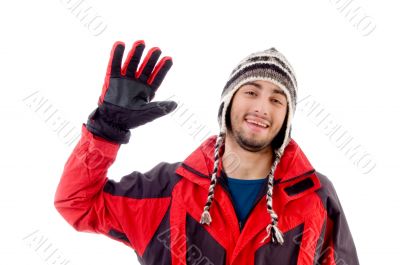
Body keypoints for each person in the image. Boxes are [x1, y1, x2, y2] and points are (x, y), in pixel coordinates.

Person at [54, 40, 360, 265]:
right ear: (228, 103)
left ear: (286, 118)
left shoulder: (315, 197)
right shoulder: (166, 189)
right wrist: (106, 131)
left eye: (277, 100)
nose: (261, 108)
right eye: (251, 92)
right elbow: (77, 204)